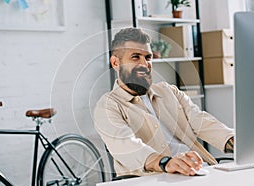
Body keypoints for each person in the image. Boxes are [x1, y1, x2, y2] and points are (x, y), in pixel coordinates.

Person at [94, 27, 234, 177]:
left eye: (148, 57)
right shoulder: (107, 106)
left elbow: (202, 121)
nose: (144, 64)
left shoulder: (169, 91)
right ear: (116, 63)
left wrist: (235, 141)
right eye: (135, 57)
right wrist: (166, 163)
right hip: (157, 181)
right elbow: (127, 147)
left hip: (199, 172)